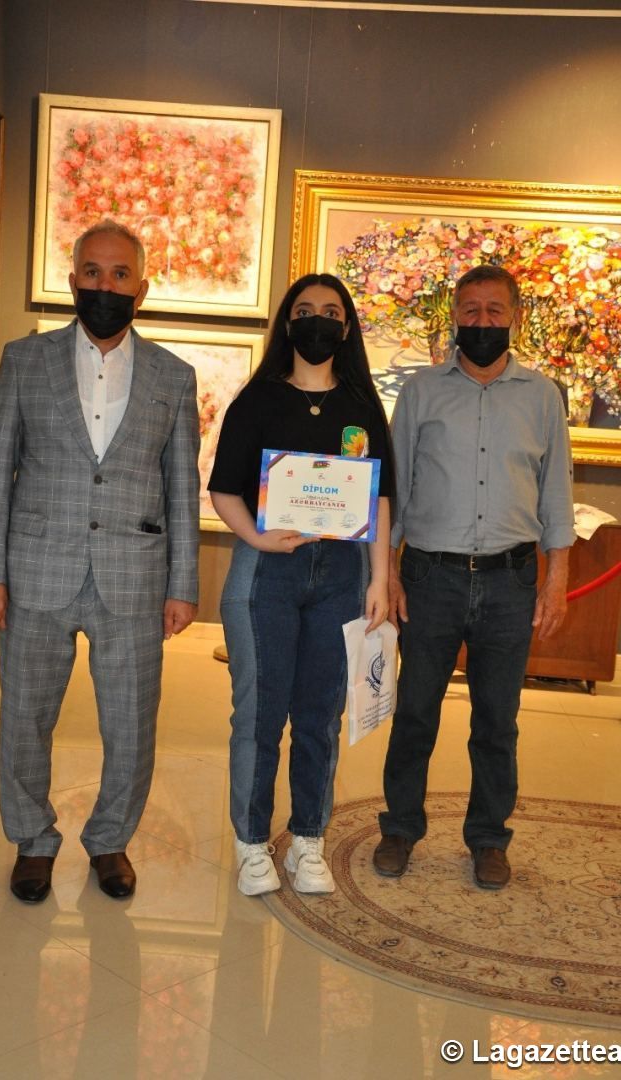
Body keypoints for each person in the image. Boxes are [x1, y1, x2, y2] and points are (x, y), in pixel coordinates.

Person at [0, 220, 200, 903]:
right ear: (72, 281)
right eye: (92, 272)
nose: (106, 285)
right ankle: (32, 841)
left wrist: (183, 584)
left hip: (134, 577)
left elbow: (181, 487)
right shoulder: (24, 361)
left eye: (120, 274)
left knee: (131, 724)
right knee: (25, 719)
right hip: (35, 572)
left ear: (141, 288)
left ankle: (109, 840)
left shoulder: (173, 377)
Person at [373, 264, 575, 890]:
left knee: (496, 720)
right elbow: (395, 486)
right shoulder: (421, 393)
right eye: (470, 310)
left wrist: (557, 579)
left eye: (494, 310)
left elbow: (556, 492)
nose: (481, 321)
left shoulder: (542, 397)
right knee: (415, 711)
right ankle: (400, 828)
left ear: (514, 317)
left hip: (510, 580)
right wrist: (388, 572)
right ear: (454, 317)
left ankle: (488, 838)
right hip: (429, 578)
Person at [209, 273, 394, 897]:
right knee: (259, 715)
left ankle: (309, 839)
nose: (319, 321)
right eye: (306, 310)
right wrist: (257, 537)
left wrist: (380, 578)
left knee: (320, 714)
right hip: (267, 575)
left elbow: (380, 498)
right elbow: (223, 490)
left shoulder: (363, 406)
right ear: (288, 323)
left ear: (347, 326)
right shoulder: (257, 401)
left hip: (342, 576)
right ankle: (251, 843)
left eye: (332, 312)